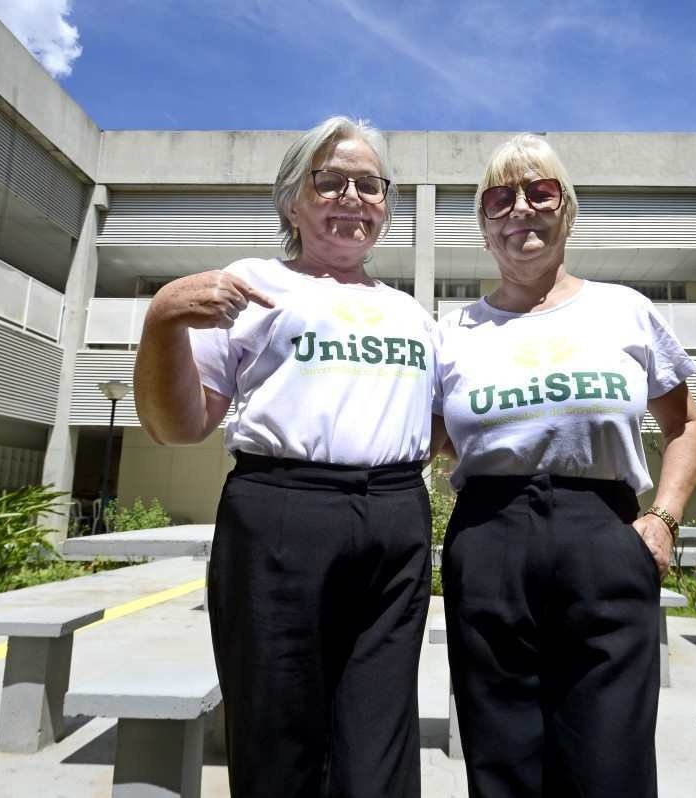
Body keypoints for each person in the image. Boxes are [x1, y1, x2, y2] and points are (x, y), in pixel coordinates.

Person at [134, 116, 437, 798]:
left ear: (386, 204)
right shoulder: (251, 283)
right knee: (277, 733)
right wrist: (162, 318)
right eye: (328, 182)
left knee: (380, 738)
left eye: (368, 185)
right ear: (292, 201)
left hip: (395, 517)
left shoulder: (414, 315)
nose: (351, 198)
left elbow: (447, 429)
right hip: (280, 512)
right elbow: (176, 424)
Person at [432, 134, 696, 797]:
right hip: (489, 536)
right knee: (503, 761)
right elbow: (437, 437)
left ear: (568, 208)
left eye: (539, 191)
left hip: (601, 534)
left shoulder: (624, 311)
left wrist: (663, 519)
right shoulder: (451, 330)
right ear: (484, 224)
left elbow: (686, 425)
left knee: (609, 764)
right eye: (500, 197)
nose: (520, 208)